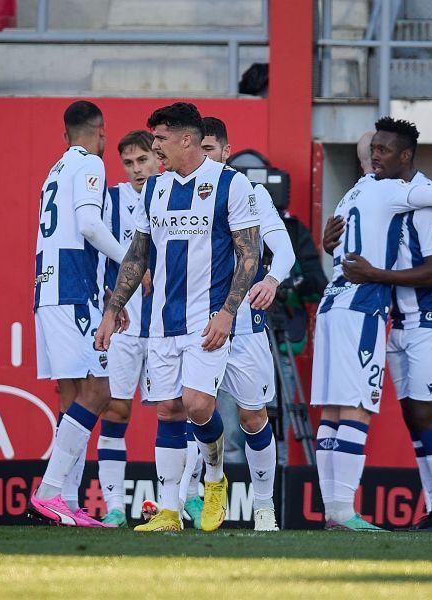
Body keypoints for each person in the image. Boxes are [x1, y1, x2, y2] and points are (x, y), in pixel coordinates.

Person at [95, 102, 261, 533]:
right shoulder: (154, 189)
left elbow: (250, 254)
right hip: (159, 323)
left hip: (208, 320)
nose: (155, 147)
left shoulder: (231, 184)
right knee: (168, 410)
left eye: (161, 139)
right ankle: (168, 512)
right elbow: (137, 255)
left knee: (197, 404)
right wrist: (114, 311)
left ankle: (215, 477)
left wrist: (228, 313)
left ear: (187, 140)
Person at [312, 118, 432, 532]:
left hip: (349, 304)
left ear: (404, 155)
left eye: (382, 150)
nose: (375, 156)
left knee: (342, 409)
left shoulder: (352, 193)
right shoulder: (394, 190)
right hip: (365, 306)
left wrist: (333, 246)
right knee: (357, 407)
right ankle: (342, 513)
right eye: (372, 151)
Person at [29, 101, 130, 527]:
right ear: (101, 133)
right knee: (99, 392)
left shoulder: (55, 171)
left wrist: (105, 289)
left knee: (72, 396)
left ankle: (66, 501)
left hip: (50, 289)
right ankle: (50, 492)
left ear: (65, 134)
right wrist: (132, 264)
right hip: (71, 291)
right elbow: (88, 225)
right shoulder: (90, 165)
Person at [197, 116, 296, 531]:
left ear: (225, 151)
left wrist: (272, 278)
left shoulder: (250, 192)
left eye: (209, 150)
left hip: (245, 326)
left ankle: (263, 507)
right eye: (196, 150)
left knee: (253, 417)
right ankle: (203, 488)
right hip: (194, 326)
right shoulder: (175, 194)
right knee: (193, 410)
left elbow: (284, 250)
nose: (203, 158)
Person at [94, 130, 158, 528]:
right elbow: (95, 253)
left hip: (168, 324)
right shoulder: (111, 200)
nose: (137, 169)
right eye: (129, 163)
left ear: (159, 157)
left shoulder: (175, 195)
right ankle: (115, 506)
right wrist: (106, 299)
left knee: (180, 411)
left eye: (143, 160)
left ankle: (184, 500)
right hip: (123, 323)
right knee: (115, 411)